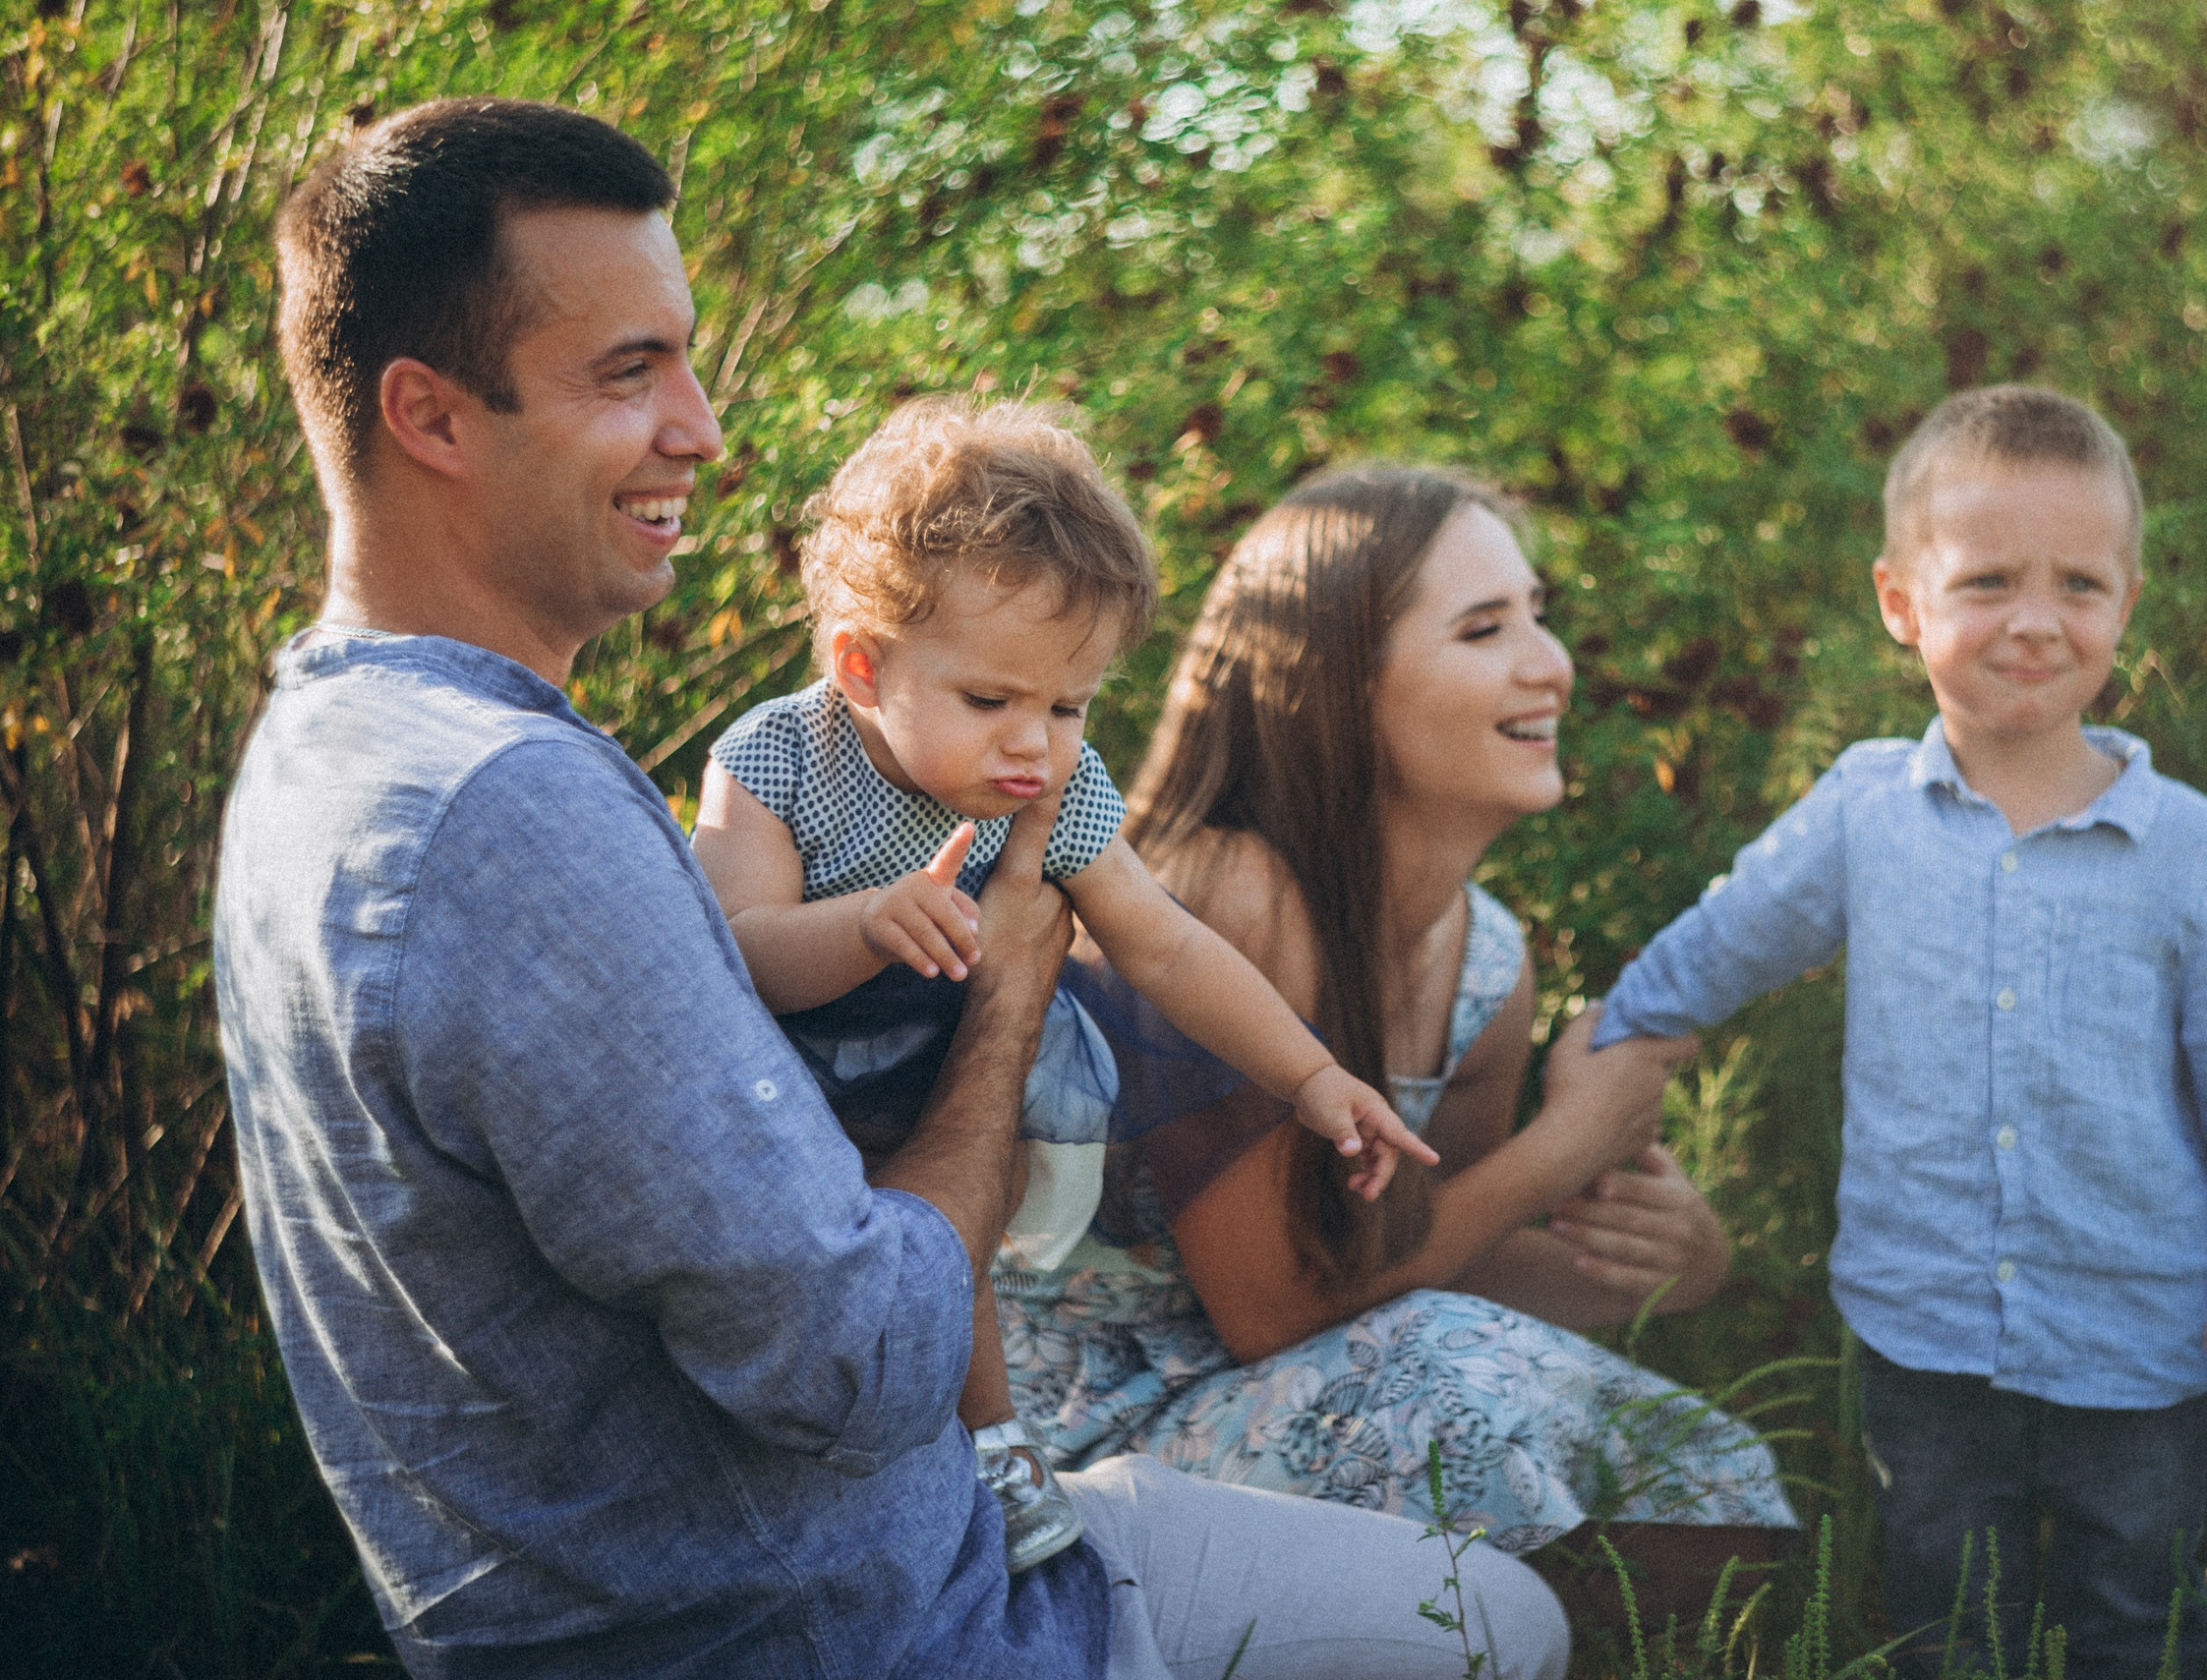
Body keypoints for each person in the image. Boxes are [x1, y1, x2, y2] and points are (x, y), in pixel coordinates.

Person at [215, 96, 1571, 1678]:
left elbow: (1152, 945)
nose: (703, 430)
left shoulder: (327, 747)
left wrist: (1313, 1075)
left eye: (689, 360)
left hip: (865, 1564)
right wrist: (1005, 996)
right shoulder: (514, 810)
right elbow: (856, 1361)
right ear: (432, 417)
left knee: (1496, 1604)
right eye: (629, 371)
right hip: (869, 1628)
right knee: (1496, 1633)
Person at [1586, 385, 2207, 1678]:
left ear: (2127, 602)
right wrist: (1606, 1041)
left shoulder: (2186, 849)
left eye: (2078, 583)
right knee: (1947, 1627)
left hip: (2139, 1346)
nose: (2034, 618)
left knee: (2140, 1621)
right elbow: (1722, 942)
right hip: (1924, 1339)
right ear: (1900, 601)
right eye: (1986, 580)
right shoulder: (1864, 811)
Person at [999, 464, 1798, 1632]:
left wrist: (1670, 1265)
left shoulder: (1486, 960)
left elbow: (1433, 1251)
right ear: (1334, 687)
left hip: (1287, 1395)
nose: (1549, 663)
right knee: (1459, 1381)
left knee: (1704, 1478)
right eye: (1484, 629)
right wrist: (1566, 1142)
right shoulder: (1218, 900)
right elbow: (1270, 1308)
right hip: (1079, 1453)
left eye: (1537, 614)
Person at [689, 395, 1435, 1573]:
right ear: (863, 665)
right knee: (819, 1280)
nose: (1032, 740)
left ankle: (997, 1450)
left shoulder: (1050, 783)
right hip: (793, 1079)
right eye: (991, 699)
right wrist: (865, 922)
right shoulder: (777, 758)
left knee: (953, 1254)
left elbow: (1165, 944)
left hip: (947, 1073)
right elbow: (735, 948)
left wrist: (1311, 1074)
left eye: (1068, 703)